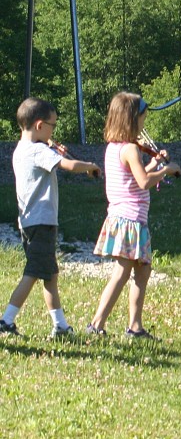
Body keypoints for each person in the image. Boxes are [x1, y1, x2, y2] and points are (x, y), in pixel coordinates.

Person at [1, 98, 101, 339]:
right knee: (35, 272)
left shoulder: (21, 149)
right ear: (38, 125)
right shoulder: (38, 150)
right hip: (41, 222)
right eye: (52, 126)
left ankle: (61, 326)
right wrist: (89, 165)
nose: (53, 131)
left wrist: (52, 149)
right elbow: (67, 164)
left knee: (50, 275)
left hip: (30, 222)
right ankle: (6, 321)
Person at [87, 93, 181, 338]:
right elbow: (142, 182)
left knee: (143, 270)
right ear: (132, 120)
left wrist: (154, 164)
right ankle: (96, 324)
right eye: (142, 119)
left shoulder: (115, 147)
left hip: (128, 218)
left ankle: (135, 327)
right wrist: (166, 171)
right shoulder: (130, 149)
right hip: (129, 219)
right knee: (121, 273)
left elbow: (133, 176)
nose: (144, 124)